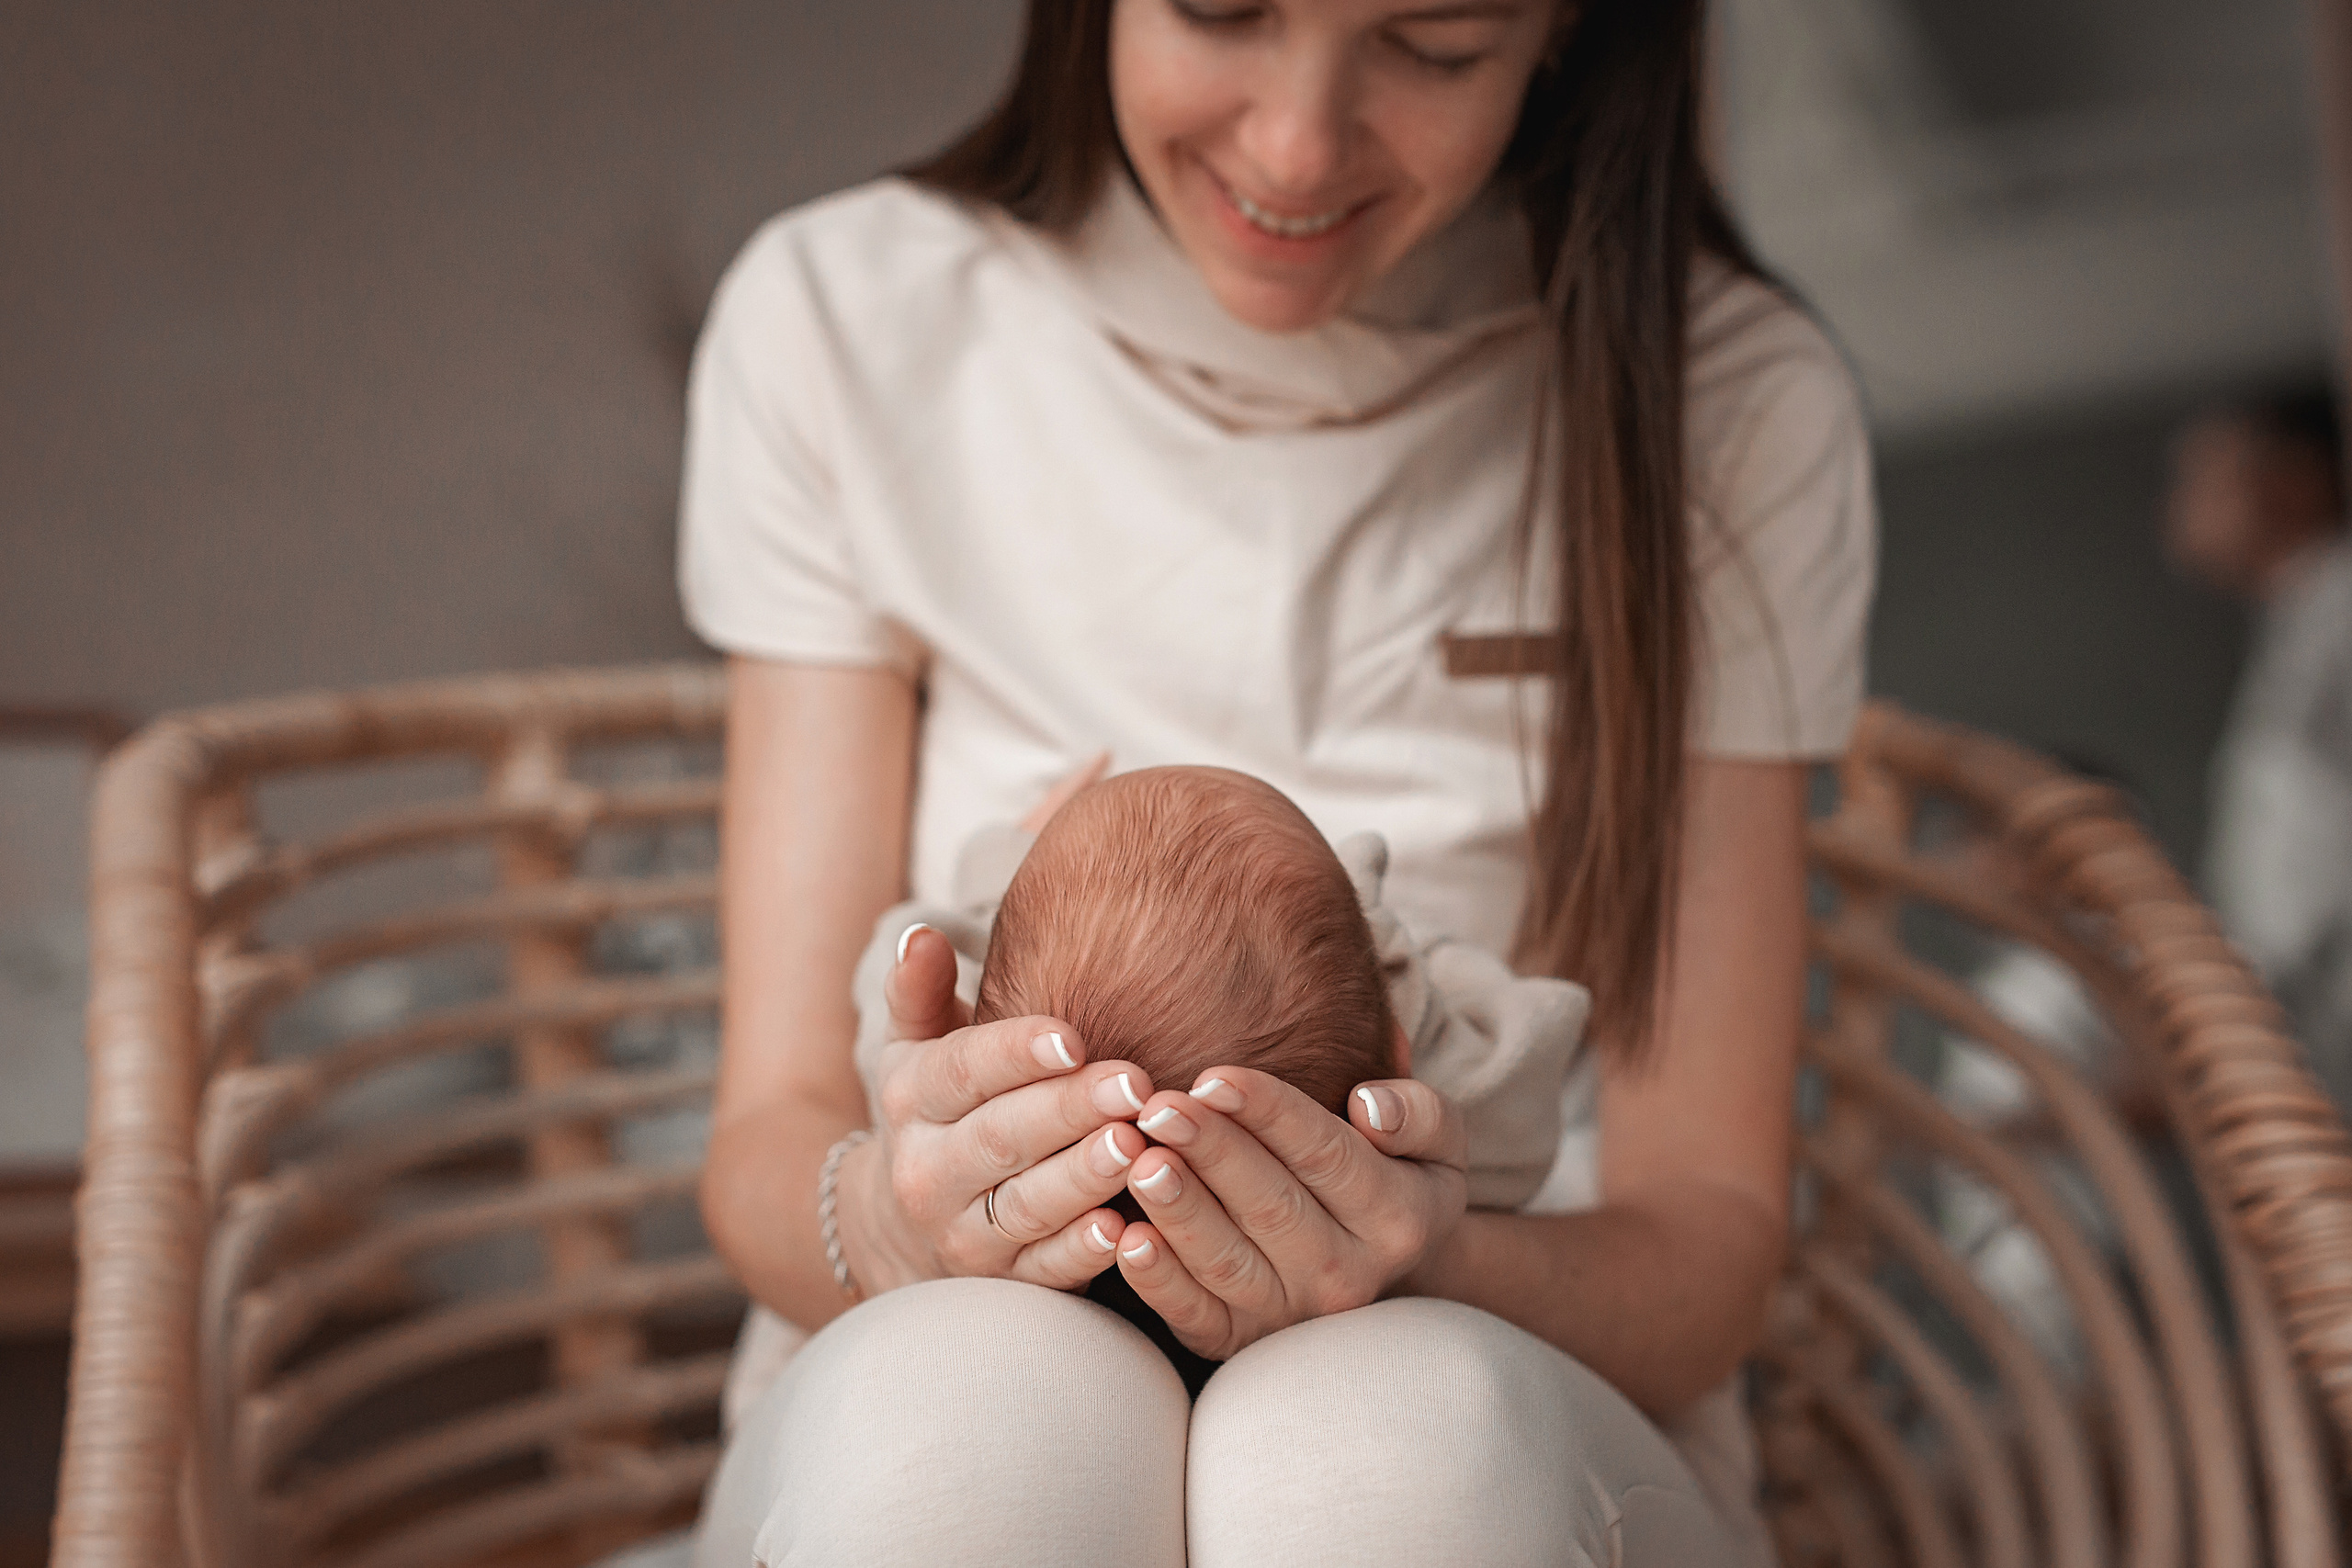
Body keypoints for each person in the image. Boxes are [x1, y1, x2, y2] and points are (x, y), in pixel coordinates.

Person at [679, 0, 1876, 1562]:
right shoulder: (851, 321)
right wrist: (904, 1215)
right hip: (918, 1363)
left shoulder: (1721, 401)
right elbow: (767, 1133)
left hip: (1533, 1404)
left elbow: (1708, 1241)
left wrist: (1428, 1257)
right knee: (962, 1416)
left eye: (1437, 46)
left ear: (1572, 30)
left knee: (1368, 1444)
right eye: (1223, 7)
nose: (1296, 146)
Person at [2166, 392, 2352, 1107]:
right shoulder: (2299, 619)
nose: (2181, 510)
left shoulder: (2336, 612)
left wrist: (2244, 1004)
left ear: (2298, 478)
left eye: (2204, 480)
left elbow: (2308, 835)